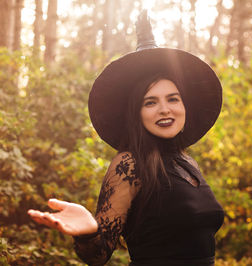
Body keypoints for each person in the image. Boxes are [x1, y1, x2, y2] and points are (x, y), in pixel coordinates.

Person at [27, 10, 224, 266]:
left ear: (184, 105)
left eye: (173, 98)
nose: (165, 109)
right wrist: (88, 232)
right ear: (137, 114)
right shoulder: (129, 164)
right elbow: (98, 254)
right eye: (150, 102)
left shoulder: (187, 163)